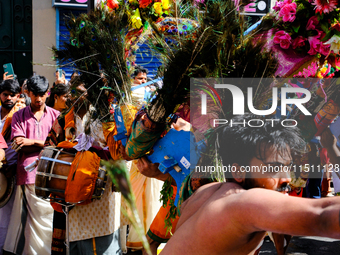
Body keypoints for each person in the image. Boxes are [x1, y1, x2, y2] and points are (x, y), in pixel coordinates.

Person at [160, 114, 340, 255]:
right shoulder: (242, 202)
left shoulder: (207, 192)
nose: (286, 178)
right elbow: (322, 216)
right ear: (238, 171)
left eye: (288, 167)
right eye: (274, 168)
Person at [45, 77, 121, 255]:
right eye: (72, 92)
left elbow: (119, 152)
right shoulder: (64, 119)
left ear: (92, 93)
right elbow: (49, 147)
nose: (74, 97)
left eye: (80, 93)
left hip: (101, 193)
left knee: (104, 242)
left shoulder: (105, 118)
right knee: (75, 240)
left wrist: (96, 152)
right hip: (72, 192)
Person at [3, 75, 60, 255]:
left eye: (42, 94)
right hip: (28, 176)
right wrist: (46, 143)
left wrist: (32, 143)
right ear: (28, 93)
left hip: (52, 176)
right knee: (30, 226)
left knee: (50, 220)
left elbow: (61, 146)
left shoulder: (56, 116)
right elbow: (18, 144)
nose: (38, 99)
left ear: (47, 93)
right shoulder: (19, 115)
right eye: (34, 94)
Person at [0, 79, 21, 254]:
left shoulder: (19, 116)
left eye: (12, 95)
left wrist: (12, 168)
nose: (9, 98)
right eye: (5, 94)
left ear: (18, 96)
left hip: (10, 174)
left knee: (6, 217)